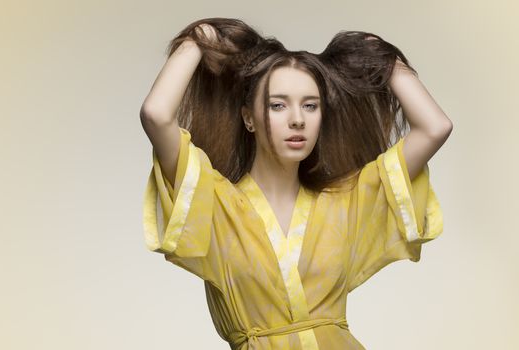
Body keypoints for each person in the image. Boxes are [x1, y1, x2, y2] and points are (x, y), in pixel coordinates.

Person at [140, 17, 453, 350]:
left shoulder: (349, 199)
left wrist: (384, 59)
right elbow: (157, 114)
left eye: (310, 105)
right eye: (278, 105)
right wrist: (198, 40)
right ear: (249, 117)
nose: (297, 119)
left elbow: (435, 127)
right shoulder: (215, 202)